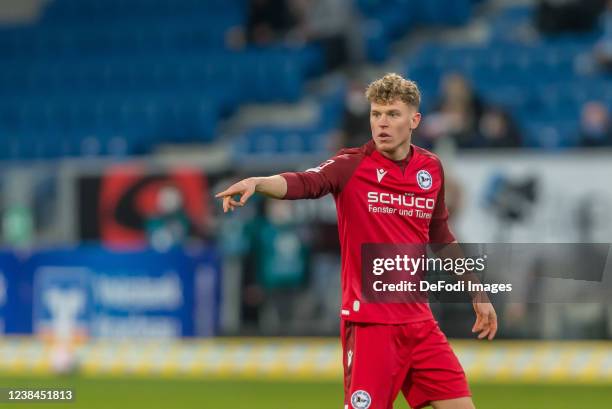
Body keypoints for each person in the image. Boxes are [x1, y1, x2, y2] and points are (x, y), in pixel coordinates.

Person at [216, 73, 497, 409]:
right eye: (376, 114)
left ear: (414, 120)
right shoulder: (352, 165)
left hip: (419, 323)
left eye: (392, 114)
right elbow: (306, 182)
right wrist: (260, 182)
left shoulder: (431, 169)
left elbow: (441, 236)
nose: (382, 123)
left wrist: (476, 290)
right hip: (371, 326)